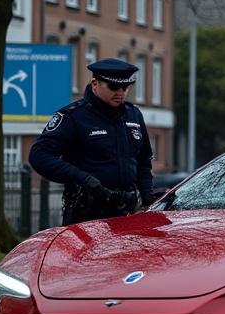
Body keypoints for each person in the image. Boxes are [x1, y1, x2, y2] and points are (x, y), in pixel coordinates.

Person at [30, 58, 155, 225]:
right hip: (87, 213)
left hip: (127, 211)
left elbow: (144, 160)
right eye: (113, 87)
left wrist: (148, 199)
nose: (120, 93)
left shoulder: (133, 115)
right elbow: (39, 156)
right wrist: (83, 179)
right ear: (95, 84)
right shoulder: (73, 116)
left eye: (125, 87)